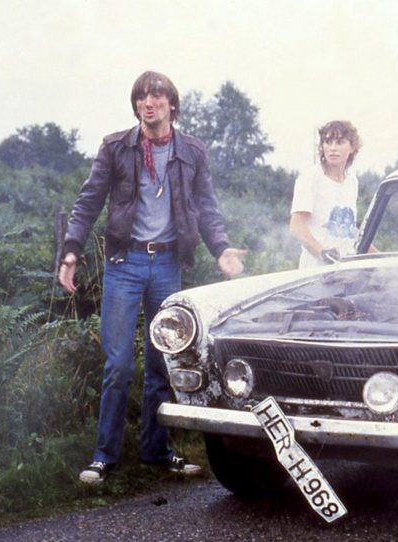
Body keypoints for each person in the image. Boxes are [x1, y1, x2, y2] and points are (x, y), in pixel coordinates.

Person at [58, 71, 246, 484]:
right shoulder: (115, 147)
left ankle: (155, 451)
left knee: (163, 361)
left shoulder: (192, 151)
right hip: (124, 265)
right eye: (143, 96)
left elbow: (206, 207)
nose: (149, 102)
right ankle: (103, 457)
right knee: (119, 364)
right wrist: (70, 252)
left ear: (171, 105)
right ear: (136, 105)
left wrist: (221, 250)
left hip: (166, 265)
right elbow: (88, 201)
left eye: (157, 96)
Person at [289, 120, 362, 268]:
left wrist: (383, 259)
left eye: (340, 142)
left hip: (346, 271)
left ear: (352, 147)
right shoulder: (311, 177)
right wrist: (324, 253)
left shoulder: (352, 181)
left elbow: (349, 229)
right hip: (316, 271)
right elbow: (296, 226)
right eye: (328, 142)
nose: (332, 148)